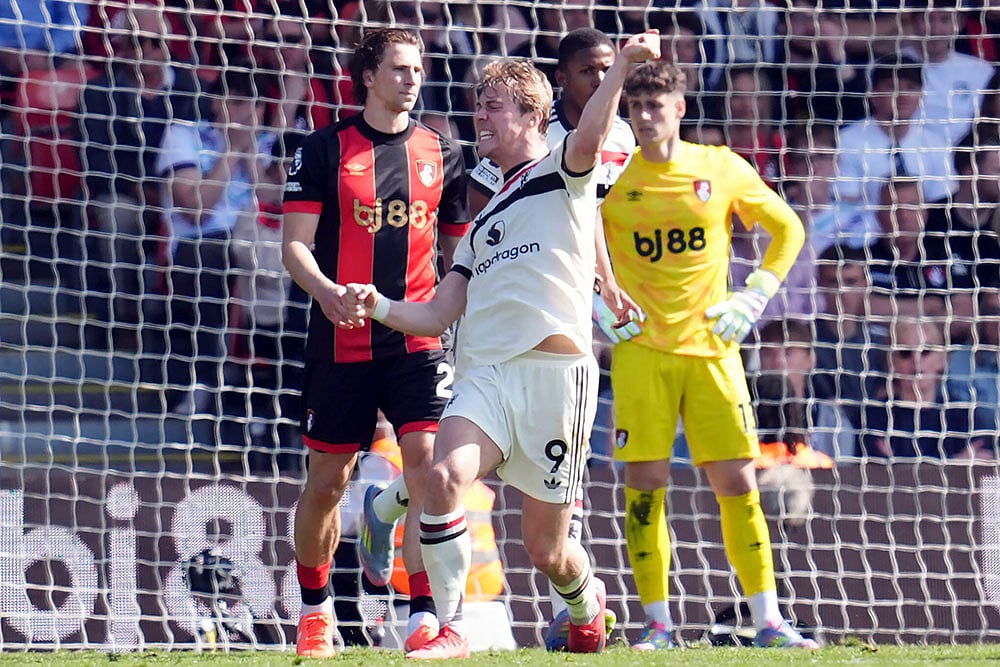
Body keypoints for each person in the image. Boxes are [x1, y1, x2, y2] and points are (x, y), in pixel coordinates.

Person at [344, 31, 662, 659]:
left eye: (492, 106)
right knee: (443, 477)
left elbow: (592, 135)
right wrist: (374, 304)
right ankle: (451, 628)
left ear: (533, 116)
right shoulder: (480, 225)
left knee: (548, 551)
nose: (479, 117)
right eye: (478, 105)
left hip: (555, 380)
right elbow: (438, 312)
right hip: (485, 376)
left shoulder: (564, 171)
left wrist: (624, 64)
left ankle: (586, 605)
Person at [598, 59, 818, 650]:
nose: (645, 116)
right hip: (641, 351)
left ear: (680, 109)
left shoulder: (719, 167)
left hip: (712, 351)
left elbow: (788, 229)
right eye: (635, 106)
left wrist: (756, 294)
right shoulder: (612, 176)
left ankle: (768, 620)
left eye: (655, 105)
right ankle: (658, 626)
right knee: (644, 488)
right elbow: (571, 240)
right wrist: (598, 301)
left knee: (739, 484)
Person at [280, 28, 470, 658]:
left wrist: (458, 317)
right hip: (341, 339)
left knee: (429, 468)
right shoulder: (322, 148)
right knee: (327, 482)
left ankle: (422, 614)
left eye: (417, 69)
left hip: (417, 339)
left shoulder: (443, 151)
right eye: (399, 68)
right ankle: (315, 611)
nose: (412, 79)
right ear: (368, 76)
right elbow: (295, 245)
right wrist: (326, 292)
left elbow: (458, 252)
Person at [467, 27, 638, 651]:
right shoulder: (518, 140)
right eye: (588, 69)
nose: (599, 78)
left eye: (606, 68)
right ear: (560, 79)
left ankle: (576, 604)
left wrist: (606, 281)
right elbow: (487, 212)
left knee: (559, 482)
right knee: (458, 463)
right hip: (507, 306)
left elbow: (584, 206)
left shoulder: (618, 136)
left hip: (570, 302)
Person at [79, 3, 200, 336]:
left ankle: (184, 324)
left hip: (183, 193)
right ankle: (125, 318)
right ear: (121, 46)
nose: (145, 49)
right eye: (135, 41)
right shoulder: (99, 92)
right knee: (116, 215)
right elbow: (96, 160)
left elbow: (207, 143)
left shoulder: (191, 87)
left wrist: (172, 191)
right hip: (129, 192)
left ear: (167, 45)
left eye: (154, 41)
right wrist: (139, 190)